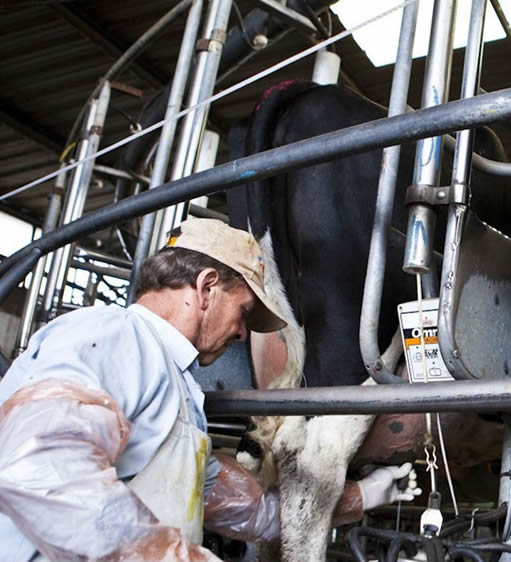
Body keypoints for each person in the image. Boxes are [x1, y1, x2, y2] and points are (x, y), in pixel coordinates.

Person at [0, 218, 420, 561]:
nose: (241, 334)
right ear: (205, 287)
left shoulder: (179, 391)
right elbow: (40, 469)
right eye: (243, 313)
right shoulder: (110, 337)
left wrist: (360, 495)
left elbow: (247, 511)